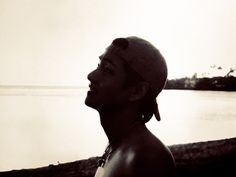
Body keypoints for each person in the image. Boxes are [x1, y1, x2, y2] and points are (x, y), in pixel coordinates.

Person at [85, 36, 176, 177]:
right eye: (99, 66)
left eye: (108, 70)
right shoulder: (118, 145)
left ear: (137, 91)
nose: (91, 76)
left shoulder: (147, 159)